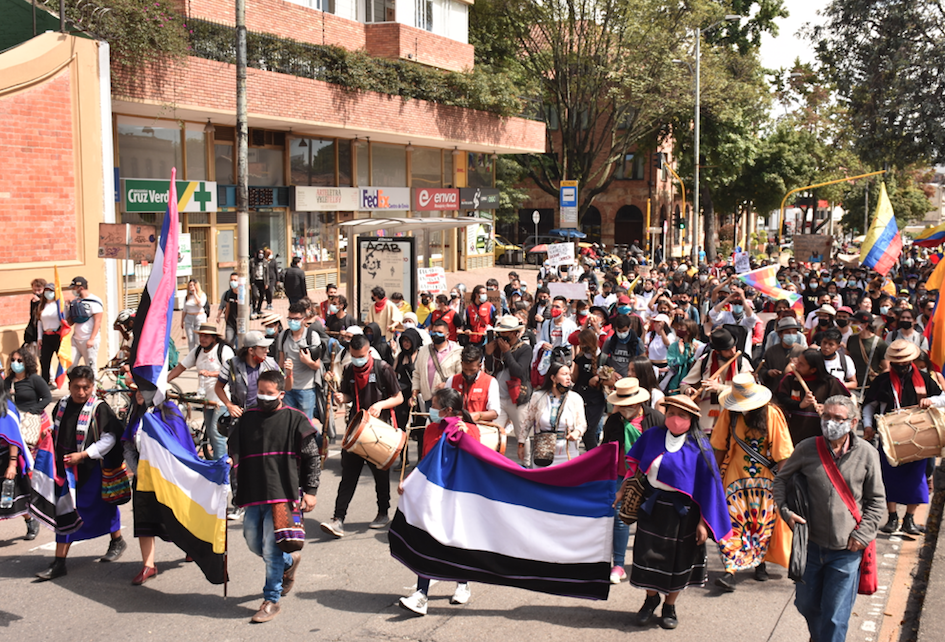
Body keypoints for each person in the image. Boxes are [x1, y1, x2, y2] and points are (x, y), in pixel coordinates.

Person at [773, 395, 885, 642]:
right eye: (826, 416)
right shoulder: (806, 448)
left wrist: (862, 535)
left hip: (846, 550)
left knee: (835, 616)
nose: (830, 423)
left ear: (853, 422)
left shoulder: (867, 453)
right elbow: (781, 480)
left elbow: (877, 502)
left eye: (838, 418)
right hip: (810, 547)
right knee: (806, 605)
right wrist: (785, 511)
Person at [614, 394, 731, 630]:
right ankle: (650, 600)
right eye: (671, 414)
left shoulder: (700, 447)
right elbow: (636, 468)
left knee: (678, 561)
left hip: (683, 513)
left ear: (692, 420)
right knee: (647, 556)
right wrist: (622, 492)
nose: (675, 419)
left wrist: (702, 524)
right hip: (652, 506)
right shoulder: (651, 436)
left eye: (682, 416)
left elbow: (709, 489)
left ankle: (670, 605)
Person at [229, 370, 320, 623]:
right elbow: (233, 448)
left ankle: (271, 599)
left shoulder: (295, 419)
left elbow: (312, 457)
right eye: (260, 392)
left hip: (283, 494)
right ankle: (289, 560)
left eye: (269, 394)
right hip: (253, 492)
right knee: (252, 541)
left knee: (270, 549)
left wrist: (310, 492)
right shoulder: (247, 419)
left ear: (281, 393)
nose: (263, 397)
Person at [36, 366, 126, 580]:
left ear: (92, 387)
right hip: (65, 469)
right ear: (69, 386)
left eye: (86, 387)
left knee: (104, 506)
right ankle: (59, 563)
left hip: (91, 468)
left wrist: (85, 454)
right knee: (65, 511)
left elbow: (110, 438)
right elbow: (60, 430)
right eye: (77, 387)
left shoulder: (99, 408)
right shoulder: (62, 405)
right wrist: (50, 434)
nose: (81, 392)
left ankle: (117, 540)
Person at [398, 387, 479, 615]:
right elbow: (424, 461)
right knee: (427, 541)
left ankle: (462, 583)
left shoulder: (470, 430)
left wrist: (467, 434)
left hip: (459, 496)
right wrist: (409, 481)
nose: (431, 410)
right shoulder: (431, 429)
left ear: (448, 409)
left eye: (434, 406)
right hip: (433, 494)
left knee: (456, 540)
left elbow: (477, 459)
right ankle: (421, 594)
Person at [710, 374, 794, 590]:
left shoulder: (772, 414)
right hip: (734, 477)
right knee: (732, 523)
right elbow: (719, 446)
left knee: (761, 523)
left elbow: (783, 454)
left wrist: (783, 484)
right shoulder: (730, 412)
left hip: (765, 480)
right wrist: (712, 475)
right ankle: (730, 569)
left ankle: (760, 563)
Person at [322, 334, 402, 538]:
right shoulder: (350, 369)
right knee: (348, 476)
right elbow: (348, 394)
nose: (358, 359)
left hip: (379, 428)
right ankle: (338, 519)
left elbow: (398, 397)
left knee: (380, 475)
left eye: (361, 356)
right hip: (356, 428)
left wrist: (380, 404)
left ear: (369, 351)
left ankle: (383, 512)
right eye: (354, 355)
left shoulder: (383, 368)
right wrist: (343, 397)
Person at [862, 340, 941, 535]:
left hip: (920, 437)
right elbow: (869, 405)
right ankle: (892, 517)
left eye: (904, 361)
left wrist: (931, 400)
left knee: (916, 479)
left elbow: (943, 397)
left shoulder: (924, 378)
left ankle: (910, 519)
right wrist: (868, 425)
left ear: (911, 360)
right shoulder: (882, 381)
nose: (900, 365)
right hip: (889, 437)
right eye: (896, 362)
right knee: (889, 478)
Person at [215, 330, 283, 519]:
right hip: (241, 419)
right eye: (263, 348)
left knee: (266, 458)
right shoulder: (232, 365)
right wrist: (229, 405)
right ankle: (239, 502)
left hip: (265, 417)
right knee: (237, 460)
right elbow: (218, 387)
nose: (267, 350)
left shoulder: (270, 364)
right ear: (251, 350)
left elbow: (284, 387)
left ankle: (267, 498)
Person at [601, 378, 664, 584]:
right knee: (620, 518)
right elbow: (605, 449)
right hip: (621, 476)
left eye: (629, 404)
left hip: (650, 476)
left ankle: (651, 562)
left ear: (638, 402)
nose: (625, 408)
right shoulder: (613, 421)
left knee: (652, 518)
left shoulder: (654, 418)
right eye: (622, 404)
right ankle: (618, 565)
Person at [167, 324, 234, 460]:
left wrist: (211, 374)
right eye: (201, 336)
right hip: (206, 399)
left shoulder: (224, 350)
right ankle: (215, 461)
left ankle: (221, 465)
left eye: (206, 336)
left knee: (216, 433)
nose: (203, 339)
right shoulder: (197, 351)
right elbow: (181, 367)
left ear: (214, 338)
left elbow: (231, 371)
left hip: (221, 399)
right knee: (209, 431)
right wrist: (164, 380)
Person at [681, 328, 753, 432]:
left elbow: (748, 390)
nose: (733, 351)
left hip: (733, 414)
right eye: (727, 349)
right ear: (717, 351)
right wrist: (688, 389)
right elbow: (685, 383)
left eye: (733, 347)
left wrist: (720, 387)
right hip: (708, 418)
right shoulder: (705, 361)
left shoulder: (741, 362)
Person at [775, 349, 850, 445]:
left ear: (813, 369)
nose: (797, 365)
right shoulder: (790, 379)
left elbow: (845, 403)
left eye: (802, 364)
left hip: (819, 434)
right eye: (798, 361)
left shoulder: (830, 382)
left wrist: (827, 407)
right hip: (791, 433)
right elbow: (779, 399)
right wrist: (799, 405)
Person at [520, 363, 586, 467]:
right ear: (553, 378)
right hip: (543, 452)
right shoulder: (538, 397)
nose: (569, 378)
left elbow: (582, 424)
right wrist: (521, 443)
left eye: (569, 374)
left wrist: (577, 432)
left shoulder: (575, 398)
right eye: (564, 374)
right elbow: (527, 422)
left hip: (568, 452)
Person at [484, 315, 533, 452]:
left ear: (513, 333)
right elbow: (490, 369)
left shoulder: (525, 349)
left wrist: (506, 352)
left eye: (504, 332)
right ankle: (496, 463)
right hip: (498, 396)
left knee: (521, 435)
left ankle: (526, 465)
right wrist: (489, 354)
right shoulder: (497, 346)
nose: (501, 335)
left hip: (517, 398)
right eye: (500, 332)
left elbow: (518, 371)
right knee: (495, 433)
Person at [0, 387, 39, 541]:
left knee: (15, 496)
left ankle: (30, 520)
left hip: (7, 458)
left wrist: (12, 464)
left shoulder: (6, 409)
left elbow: (13, 439)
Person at [278, 302, 323, 422]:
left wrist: (308, 361)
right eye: (290, 319)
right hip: (288, 388)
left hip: (306, 388)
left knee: (305, 424)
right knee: (289, 422)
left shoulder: (312, 337)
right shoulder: (283, 336)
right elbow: (280, 363)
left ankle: (316, 440)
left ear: (304, 319)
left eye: (296, 319)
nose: (293, 322)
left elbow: (317, 365)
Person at [411, 319, 462, 410]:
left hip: (447, 399)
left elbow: (461, 376)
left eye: (440, 332)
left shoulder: (457, 352)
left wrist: (448, 384)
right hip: (429, 399)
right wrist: (414, 394)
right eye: (434, 332)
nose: (436, 335)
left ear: (447, 335)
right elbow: (417, 373)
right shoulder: (423, 350)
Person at [572, 328, 606, 450]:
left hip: (595, 399)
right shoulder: (580, 357)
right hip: (580, 395)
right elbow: (574, 378)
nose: (581, 346)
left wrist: (598, 378)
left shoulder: (603, 357)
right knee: (579, 429)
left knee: (590, 431)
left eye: (583, 343)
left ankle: (594, 459)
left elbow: (609, 378)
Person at [449, 345, 499, 424]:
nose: (468, 373)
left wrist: (478, 416)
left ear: (480, 366)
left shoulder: (491, 382)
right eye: (465, 369)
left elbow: (494, 413)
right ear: (461, 364)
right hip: (456, 426)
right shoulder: (452, 380)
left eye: (472, 370)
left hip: (480, 428)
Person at [66, 276, 104, 372]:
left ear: (81, 288)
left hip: (88, 339)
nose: (73, 291)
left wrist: (91, 339)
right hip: (76, 339)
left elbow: (98, 321)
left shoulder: (94, 301)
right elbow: (71, 322)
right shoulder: (75, 301)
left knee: (90, 366)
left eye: (74, 288)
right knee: (70, 364)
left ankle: (93, 385)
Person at [757, 317, 805, 391]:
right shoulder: (771, 351)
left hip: (794, 392)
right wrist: (768, 373)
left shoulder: (802, 352)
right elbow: (762, 369)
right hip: (774, 391)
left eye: (794, 332)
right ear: (780, 334)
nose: (791, 335)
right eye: (788, 332)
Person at [846, 312, 888, 395]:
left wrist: (879, 382)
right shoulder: (851, 339)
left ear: (865, 325)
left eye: (855, 323)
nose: (852, 325)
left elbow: (886, 368)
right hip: (853, 385)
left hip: (871, 387)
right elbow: (846, 359)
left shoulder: (879, 343)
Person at [662, 317, 703, 394]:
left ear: (689, 331)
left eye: (682, 328)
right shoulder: (674, 346)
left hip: (693, 383)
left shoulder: (700, 346)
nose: (679, 329)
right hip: (675, 384)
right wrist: (681, 355)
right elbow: (672, 365)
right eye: (679, 327)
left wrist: (695, 354)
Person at [37, 282, 62, 384]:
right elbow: (39, 322)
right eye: (46, 290)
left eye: (51, 291)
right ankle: (45, 384)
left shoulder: (59, 305)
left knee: (62, 361)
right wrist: (39, 338)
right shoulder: (42, 306)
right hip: (46, 336)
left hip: (57, 335)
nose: (48, 293)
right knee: (44, 362)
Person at [181, 278, 208, 352]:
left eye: (193, 285)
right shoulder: (187, 297)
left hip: (199, 318)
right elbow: (184, 310)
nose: (191, 286)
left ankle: (200, 354)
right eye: (190, 285)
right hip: (189, 318)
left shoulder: (202, 295)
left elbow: (201, 304)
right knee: (190, 340)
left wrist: (195, 294)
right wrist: (182, 321)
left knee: (198, 340)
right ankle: (192, 357)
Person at [216, 271, 240, 350]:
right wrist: (218, 316)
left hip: (240, 324)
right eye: (231, 280)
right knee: (228, 343)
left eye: (235, 280)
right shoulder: (227, 294)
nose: (233, 282)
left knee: (239, 345)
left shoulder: (243, 294)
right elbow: (222, 306)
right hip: (230, 323)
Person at [24, 277, 47, 351]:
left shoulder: (48, 301)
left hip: (44, 332)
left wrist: (39, 303)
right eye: (34, 290)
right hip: (33, 332)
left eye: (39, 290)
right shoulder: (33, 300)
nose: (36, 292)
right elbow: (32, 316)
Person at [251, 249, 270, 317]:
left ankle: (258, 309)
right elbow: (249, 272)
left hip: (262, 281)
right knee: (254, 295)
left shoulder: (265, 262)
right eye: (259, 253)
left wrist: (267, 283)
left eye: (262, 253)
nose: (260, 254)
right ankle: (253, 309)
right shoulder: (252, 261)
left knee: (262, 295)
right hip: (255, 281)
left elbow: (267, 273)